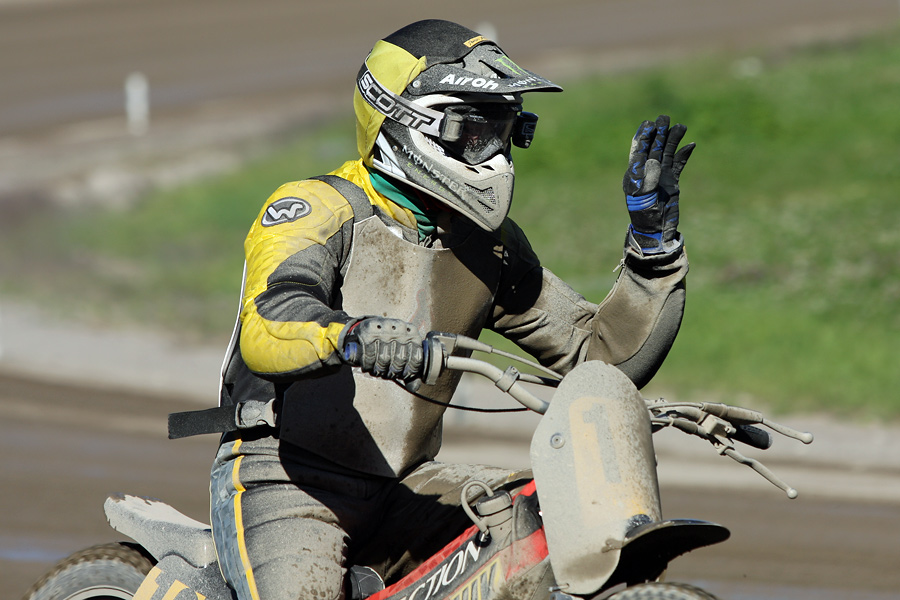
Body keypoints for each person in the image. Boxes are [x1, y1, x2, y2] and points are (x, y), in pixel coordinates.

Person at [198, 18, 693, 600]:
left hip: (404, 484)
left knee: (540, 516)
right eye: (477, 133)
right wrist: (353, 335)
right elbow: (269, 322)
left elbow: (599, 356)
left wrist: (653, 251)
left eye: (507, 132)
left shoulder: (489, 245)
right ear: (408, 122)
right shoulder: (316, 208)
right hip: (285, 479)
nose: (497, 155)